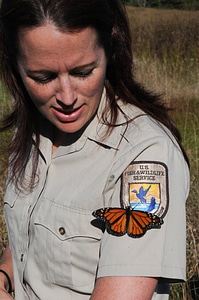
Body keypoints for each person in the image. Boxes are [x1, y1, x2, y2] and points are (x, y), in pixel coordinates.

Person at [0, 0, 190, 299]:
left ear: (110, 50)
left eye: (83, 72)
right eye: (42, 77)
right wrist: (5, 276)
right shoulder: (33, 131)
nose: (66, 97)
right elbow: (31, 231)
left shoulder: (143, 155)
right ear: (14, 65)